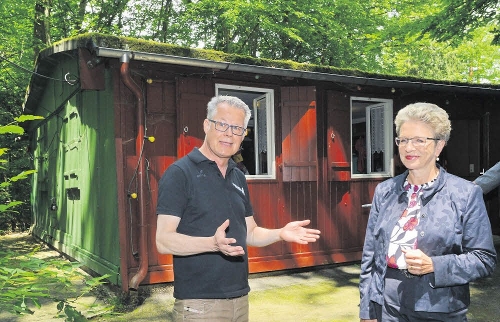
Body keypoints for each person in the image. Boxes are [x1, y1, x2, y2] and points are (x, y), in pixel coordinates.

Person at [156, 95, 321, 322]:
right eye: (222, 124)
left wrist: (280, 233)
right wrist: (212, 244)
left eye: (237, 128)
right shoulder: (180, 173)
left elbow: (250, 233)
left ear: (244, 135)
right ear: (206, 125)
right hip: (199, 304)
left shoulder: (238, 176)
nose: (229, 134)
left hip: (240, 298)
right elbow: (163, 240)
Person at [359, 102, 497, 321]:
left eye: (419, 140)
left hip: (440, 307)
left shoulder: (465, 194)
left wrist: (435, 265)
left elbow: (484, 259)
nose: (408, 147)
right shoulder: (384, 191)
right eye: (403, 140)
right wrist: (367, 308)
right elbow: (371, 256)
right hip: (388, 306)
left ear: (439, 146)